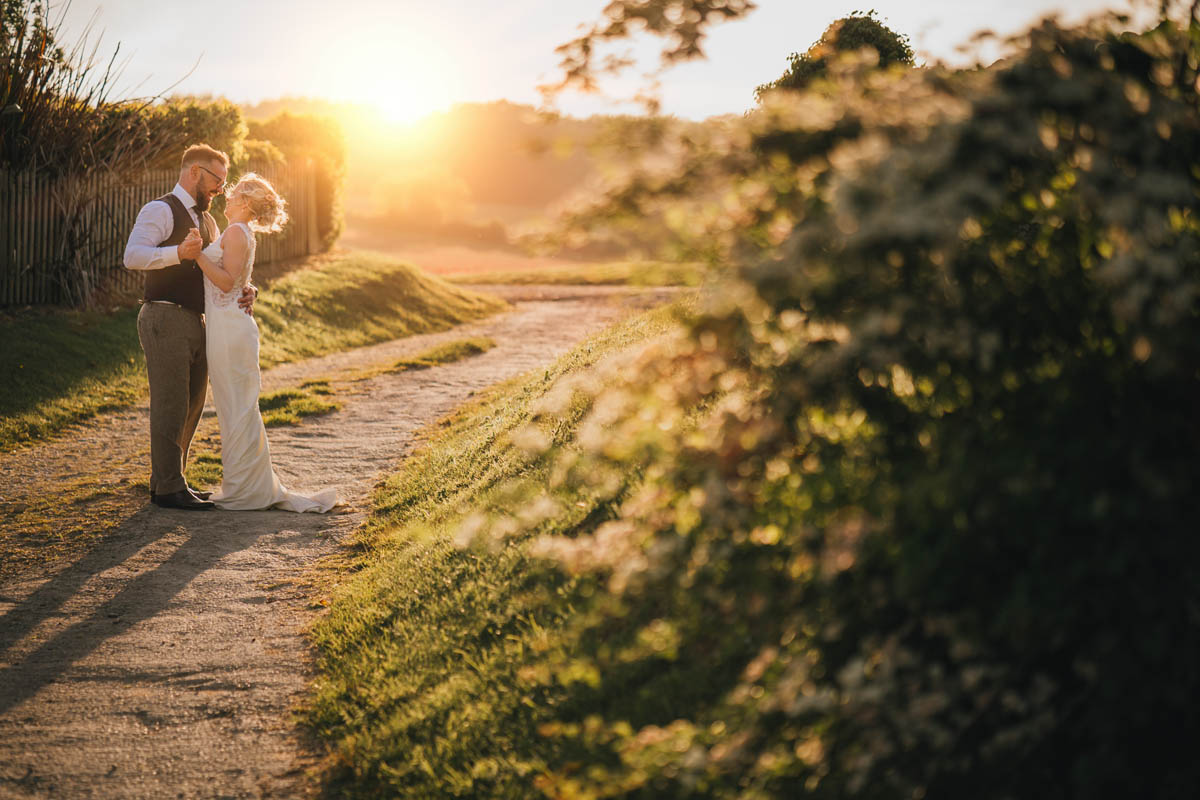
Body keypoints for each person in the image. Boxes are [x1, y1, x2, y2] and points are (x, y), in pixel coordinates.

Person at [192, 173, 338, 512]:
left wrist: (198, 256)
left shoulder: (235, 232)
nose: (226, 197)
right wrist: (250, 288)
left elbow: (228, 283)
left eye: (233, 194)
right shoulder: (239, 232)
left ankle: (246, 490)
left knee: (238, 407)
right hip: (228, 326)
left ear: (244, 203)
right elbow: (240, 279)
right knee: (235, 406)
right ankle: (244, 485)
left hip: (230, 330)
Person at [123, 144, 255, 511]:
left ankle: (171, 479)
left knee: (193, 405)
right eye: (217, 180)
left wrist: (246, 288)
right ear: (195, 171)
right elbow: (132, 256)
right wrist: (176, 254)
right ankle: (168, 488)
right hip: (164, 316)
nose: (220, 190)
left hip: (200, 321)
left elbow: (219, 270)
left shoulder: (210, 221)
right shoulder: (160, 209)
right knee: (171, 402)